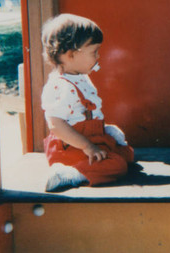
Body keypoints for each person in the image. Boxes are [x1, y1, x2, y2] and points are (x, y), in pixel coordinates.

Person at [41, 14, 134, 192]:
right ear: (71, 55)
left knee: (126, 154)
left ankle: (86, 165)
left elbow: (82, 113)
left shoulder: (80, 77)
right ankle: (71, 173)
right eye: (94, 52)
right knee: (117, 165)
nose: (98, 56)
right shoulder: (60, 85)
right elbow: (56, 125)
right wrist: (87, 146)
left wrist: (106, 129)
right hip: (72, 147)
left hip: (90, 139)